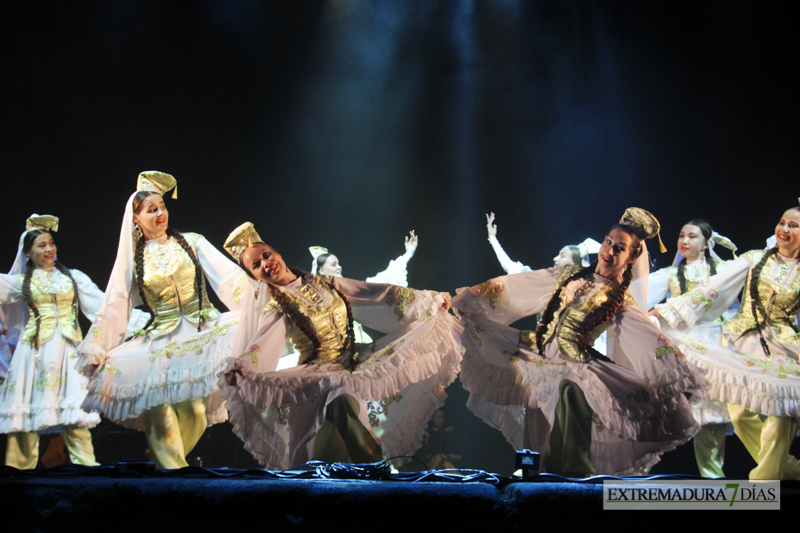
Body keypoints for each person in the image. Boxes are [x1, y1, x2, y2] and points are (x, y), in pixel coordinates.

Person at [455, 208, 703, 477]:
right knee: (539, 440)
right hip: (540, 359)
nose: (609, 251)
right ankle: (539, 486)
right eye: (608, 242)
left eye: (619, 248)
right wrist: (471, 300)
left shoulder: (618, 299)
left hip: (576, 367)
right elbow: (521, 284)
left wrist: (680, 380)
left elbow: (648, 337)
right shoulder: (568, 275)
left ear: (630, 257)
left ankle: (575, 483)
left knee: (569, 390)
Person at [219, 222, 462, 469]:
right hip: (318, 379)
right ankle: (384, 477)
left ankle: (373, 480)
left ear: (277, 253)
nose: (265, 263)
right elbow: (262, 343)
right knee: (340, 399)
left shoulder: (326, 283)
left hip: (351, 365)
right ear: (255, 277)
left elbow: (375, 293)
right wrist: (242, 367)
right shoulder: (277, 307)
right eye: (256, 266)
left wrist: (427, 301)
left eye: (266, 255)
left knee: (327, 462)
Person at [76, 172, 245, 469]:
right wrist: (98, 344)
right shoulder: (133, 260)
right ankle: (172, 478)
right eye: (151, 210)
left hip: (199, 332)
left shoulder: (192, 242)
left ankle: (159, 465)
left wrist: (257, 307)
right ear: (136, 219)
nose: (160, 213)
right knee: (160, 414)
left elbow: (228, 277)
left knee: (196, 412)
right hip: (159, 343)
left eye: (162, 207)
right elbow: (116, 303)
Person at [652, 206, 800, 480]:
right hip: (743, 340)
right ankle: (785, 468)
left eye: (794, 226)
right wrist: (665, 312)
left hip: (785, 347)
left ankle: (765, 478)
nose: (784, 230)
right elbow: (714, 289)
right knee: (739, 410)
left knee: (783, 411)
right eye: (782, 223)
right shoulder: (754, 258)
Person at [0, 215, 102, 469]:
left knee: (75, 416)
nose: (49, 250)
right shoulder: (22, 282)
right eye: (41, 246)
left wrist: (138, 320)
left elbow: (101, 306)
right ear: (28, 253)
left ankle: (87, 469)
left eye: (51, 243)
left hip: (68, 352)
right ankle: (18, 474)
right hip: (33, 353)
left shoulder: (73, 278)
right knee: (25, 419)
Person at [646, 220, 737, 478]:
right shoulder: (672, 275)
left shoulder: (722, 271)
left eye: (692, 236)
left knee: (710, 418)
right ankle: (637, 476)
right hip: (679, 344)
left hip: (712, 345)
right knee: (661, 415)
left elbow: (732, 309)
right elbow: (639, 295)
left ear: (706, 243)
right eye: (682, 235)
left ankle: (714, 481)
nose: (685, 241)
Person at [485, 212, 600, 273]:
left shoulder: (587, 289)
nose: (555, 258)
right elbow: (512, 267)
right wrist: (493, 238)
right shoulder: (544, 282)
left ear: (575, 264)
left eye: (562, 256)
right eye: (558, 254)